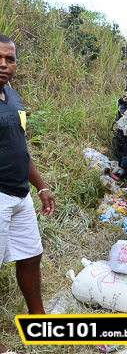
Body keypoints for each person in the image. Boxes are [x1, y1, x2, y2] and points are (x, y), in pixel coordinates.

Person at [0, 34, 55, 354]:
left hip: (20, 196)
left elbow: (19, 148)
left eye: (10, 59)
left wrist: (41, 186)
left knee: (31, 255)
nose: (4, 65)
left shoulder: (12, 96)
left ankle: (39, 322)